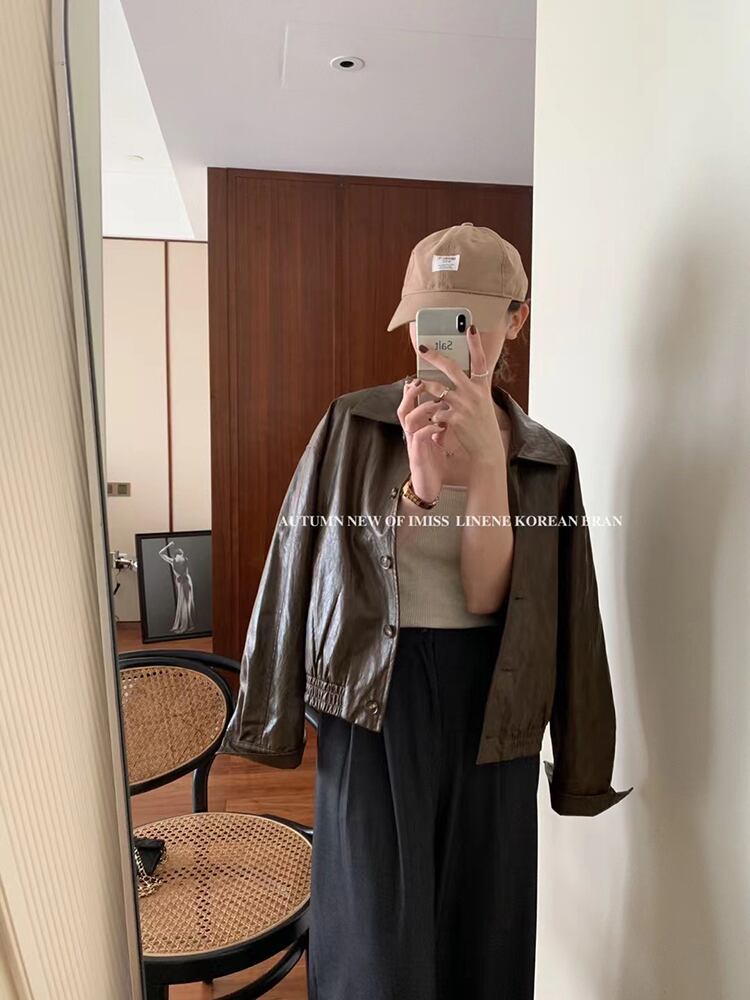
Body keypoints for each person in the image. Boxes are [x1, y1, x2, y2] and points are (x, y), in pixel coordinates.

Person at [217, 223, 633, 1000]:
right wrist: (420, 487)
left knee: (485, 936)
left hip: (495, 701)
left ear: (517, 319)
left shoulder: (545, 459)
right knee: (373, 944)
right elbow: (294, 564)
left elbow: (503, 600)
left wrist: (488, 467)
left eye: (471, 320)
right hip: (376, 697)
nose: (447, 340)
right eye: (431, 320)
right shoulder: (354, 425)